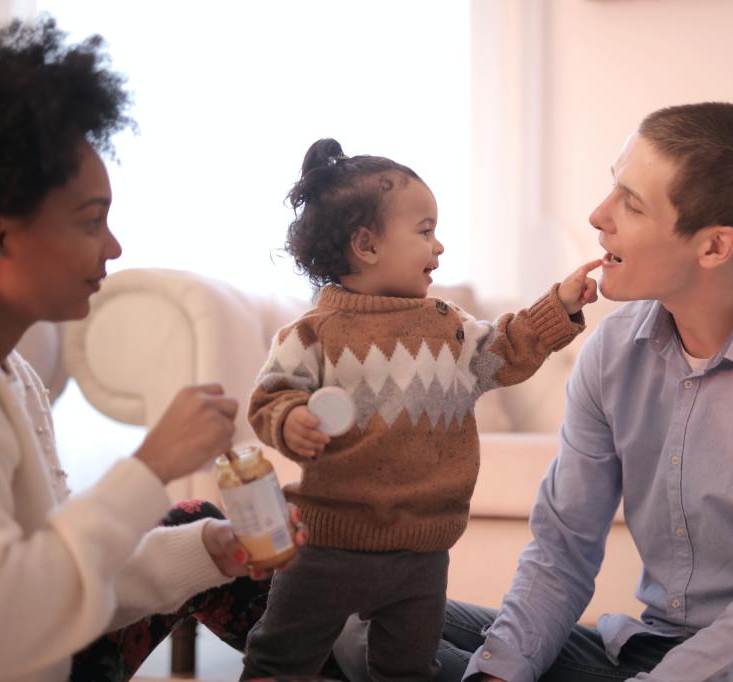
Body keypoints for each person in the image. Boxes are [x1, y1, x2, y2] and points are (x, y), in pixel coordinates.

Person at [338, 102, 733, 682]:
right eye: (612, 188)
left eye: (631, 204)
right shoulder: (613, 350)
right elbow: (562, 549)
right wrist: (497, 676)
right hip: (649, 655)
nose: (598, 215)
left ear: (714, 247)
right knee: (366, 622)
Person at [0, 18, 306, 682]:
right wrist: (150, 465)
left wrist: (211, 552)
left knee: (204, 525)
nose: (113, 247)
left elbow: (59, 577)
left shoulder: (10, 373)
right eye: (91, 221)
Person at [240, 137, 602, 681]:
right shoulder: (314, 334)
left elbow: (505, 350)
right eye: (425, 231)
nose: (439, 248)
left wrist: (560, 306)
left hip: (422, 553)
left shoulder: (446, 326)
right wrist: (292, 419)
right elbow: (271, 396)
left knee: (409, 669)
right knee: (280, 659)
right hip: (327, 546)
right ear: (366, 245)